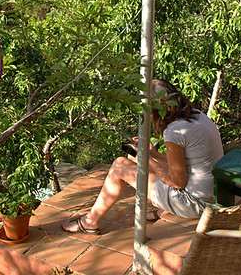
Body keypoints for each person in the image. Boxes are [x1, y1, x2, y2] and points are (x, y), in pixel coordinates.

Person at [62, 79, 224, 235]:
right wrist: (152, 154)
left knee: (120, 165)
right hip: (213, 194)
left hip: (195, 204)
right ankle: (165, 207)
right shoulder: (197, 115)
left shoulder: (174, 132)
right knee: (132, 159)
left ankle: (90, 221)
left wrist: (146, 160)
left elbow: (178, 182)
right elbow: (183, 164)